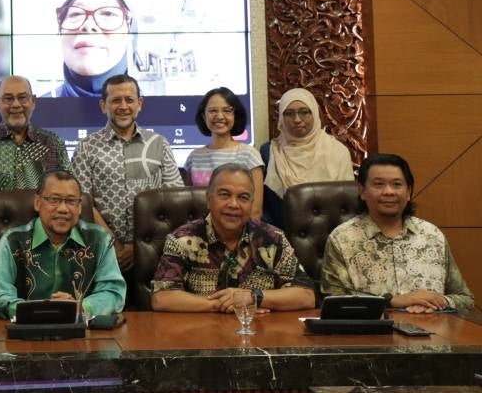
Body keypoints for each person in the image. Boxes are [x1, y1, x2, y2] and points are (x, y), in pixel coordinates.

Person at [151, 163, 315, 313]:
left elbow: (306, 296)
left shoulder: (272, 239)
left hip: (260, 335)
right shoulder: (182, 239)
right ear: (209, 200)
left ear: (251, 203)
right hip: (201, 337)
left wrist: (254, 297)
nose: (234, 204)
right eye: (224, 195)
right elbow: (162, 298)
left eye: (243, 197)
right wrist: (225, 304)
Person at [320, 153, 474, 313]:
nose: (388, 192)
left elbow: (466, 299)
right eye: (378, 184)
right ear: (362, 191)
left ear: (408, 192)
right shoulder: (342, 239)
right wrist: (391, 302)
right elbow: (332, 303)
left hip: (434, 333)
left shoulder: (432, 235)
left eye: (397, 184)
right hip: (372, 335)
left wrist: (437, 301)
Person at [72, 74, 183, 274]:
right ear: (103, 106)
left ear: (139, 104)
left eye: (129, 100)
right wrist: (114, 244)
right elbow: (82, 202)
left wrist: (139, 245)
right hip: (101, 253)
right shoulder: (86, 148)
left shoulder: (159, 144)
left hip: (154, 252)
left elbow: (174, 201)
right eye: (115, 100)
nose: (123, 106)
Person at [0, 171, 126, 319]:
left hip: (82, 334)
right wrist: (41, 310)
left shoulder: (99, 239)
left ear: (79, 207)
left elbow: (113, 293)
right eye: (54, 199)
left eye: (71, 201)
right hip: (26, 333)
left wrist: (80, 307)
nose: (63, 209)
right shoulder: (13, 241)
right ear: (37, 203)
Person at [0, 75, 70, 231]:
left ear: (33, 101)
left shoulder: (53, 143)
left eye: (22, 98)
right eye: (8, 99)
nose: (16, 105)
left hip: (45, 238)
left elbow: (67, 191)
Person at [262, 87, 354, 226]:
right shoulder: (269, 152)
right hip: (280, 235)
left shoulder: (337, 151)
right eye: (289, 113)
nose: (297, 119)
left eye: (304, 112)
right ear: (281, 117)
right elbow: (264, 206)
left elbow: (347, 202)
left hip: (331, 233)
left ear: (315, 114)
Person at [47, 0, 135, 98]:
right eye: (76, 13)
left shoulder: (162, 112)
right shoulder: (33, 114)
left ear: (130, 32)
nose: (89, 25)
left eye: (108, 13)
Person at [183, 87, 263, 217]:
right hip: (200, 231)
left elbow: (255, 211)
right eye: (213, 111)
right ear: (204, 116)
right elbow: (188, 205)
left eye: (227, 110)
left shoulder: (249, 155)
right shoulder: (194, 157)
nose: (219, 116)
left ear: (235, 115)